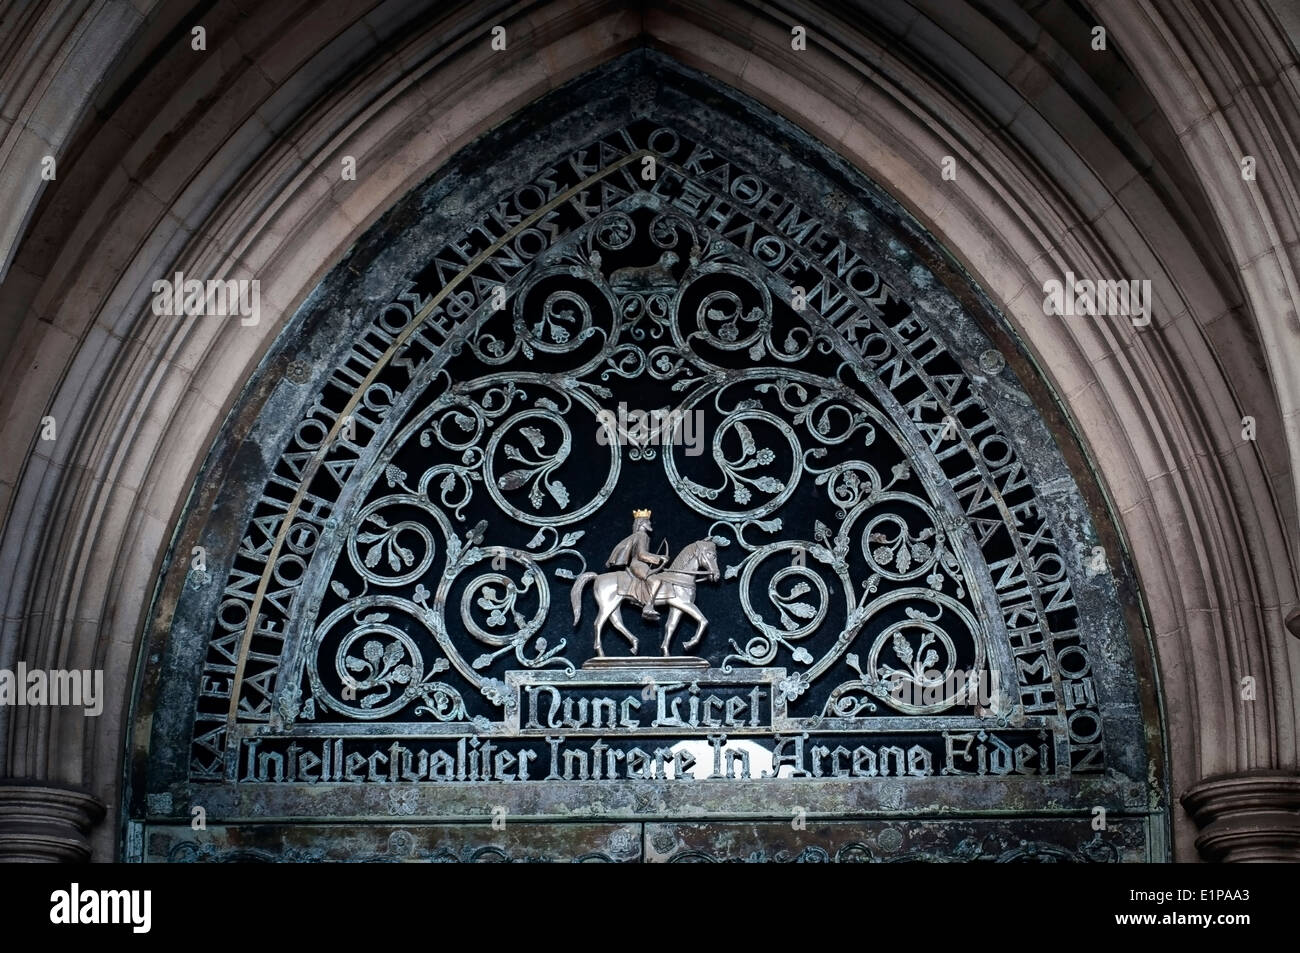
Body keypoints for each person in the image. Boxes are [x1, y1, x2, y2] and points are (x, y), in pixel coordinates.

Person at [606, 509, 667, 621]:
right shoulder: (642, 535)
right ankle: (648, 606)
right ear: (642, 523)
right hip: (638, 564)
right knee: (656, 581)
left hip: (639, 564)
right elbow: (641, 554)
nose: (650, 523)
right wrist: (659, 558)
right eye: (647, 521)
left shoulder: (638, 535)